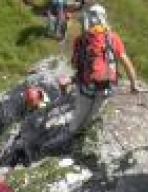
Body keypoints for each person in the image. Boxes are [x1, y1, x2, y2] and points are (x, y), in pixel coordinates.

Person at [43, 3, 139, 150]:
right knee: (92, 115)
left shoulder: (81, 41)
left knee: (78, 116)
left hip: (86, 88)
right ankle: (83, 133)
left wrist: (72, 80)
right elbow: (126, 62)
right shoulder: (113, 38)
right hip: (107, 88)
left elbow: (78, 66)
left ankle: (69, 135)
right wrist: (133, 84)